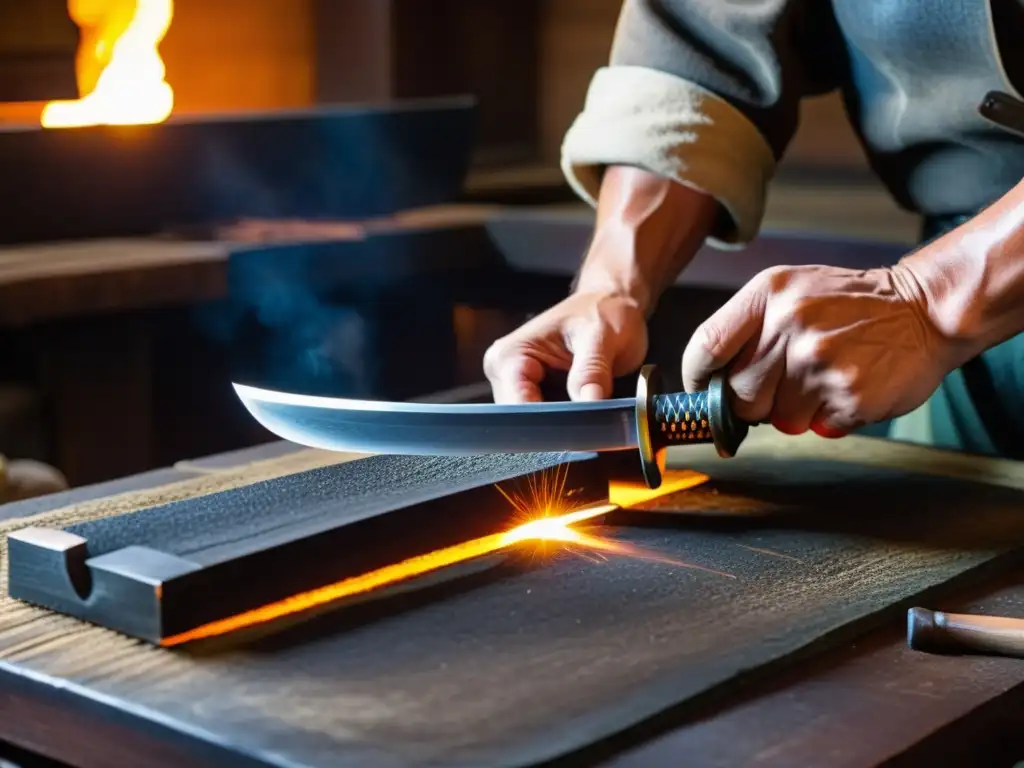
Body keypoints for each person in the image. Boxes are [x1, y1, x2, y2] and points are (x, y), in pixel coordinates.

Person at [483, 0, 1024, 458]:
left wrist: (928, 300)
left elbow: (929, 303)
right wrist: (613, 285)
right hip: (958, 323)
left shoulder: (926, 306)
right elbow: (702, 43)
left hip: (953, 296)